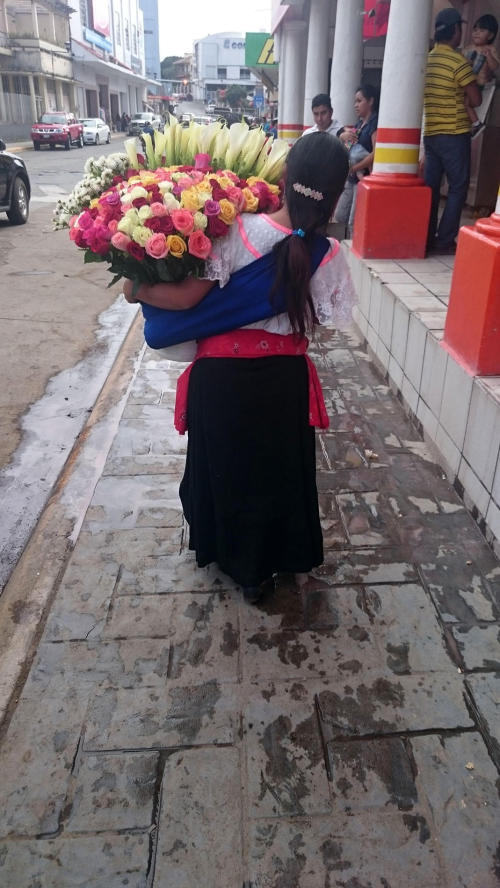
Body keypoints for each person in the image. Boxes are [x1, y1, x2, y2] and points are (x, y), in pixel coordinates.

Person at [123, 133, 356, 603]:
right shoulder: (328, 255)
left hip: (222, 380)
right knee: (277, 470)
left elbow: (188, 298)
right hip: (283, 383)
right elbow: (328, 325)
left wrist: (135, 290)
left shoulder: (238, 230)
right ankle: (279, 559)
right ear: (333, 199)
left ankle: (241, 566)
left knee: (228, 469)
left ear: (285, 180)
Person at [423, 7, 481, 255]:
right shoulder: (459, 62)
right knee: (458, 186)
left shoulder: (427, 59)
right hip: (455, 132)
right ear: (455, 30)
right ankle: (445, 239)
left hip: (432, 132)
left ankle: (426, 237)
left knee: (432, 187)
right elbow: (476, 98)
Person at [334, 83, 379, 235]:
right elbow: (349, 145)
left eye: (359, 101)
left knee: (354, 221)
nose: (355, 105)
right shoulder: (359, 124)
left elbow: (376, 153)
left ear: (370, 101)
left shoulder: (374, 123)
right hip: (352, 178)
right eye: (355, 101)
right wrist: (343, 136)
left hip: (363, 179)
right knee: (340, 215)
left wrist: (356, 167)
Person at [463, 14, 499, 139]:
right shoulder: (468, 48)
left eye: (482, 31)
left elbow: (495, 67)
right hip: (466, 83)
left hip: (478, 85)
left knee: (466, 102)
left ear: (490, 35)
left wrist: (488, 56)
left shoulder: (490, 49)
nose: (476, 33)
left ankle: (477, 123)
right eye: (475, 30)